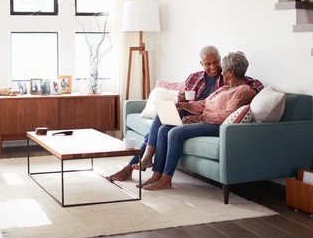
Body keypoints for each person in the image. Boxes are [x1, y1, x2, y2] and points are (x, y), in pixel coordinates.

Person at [106, 45, 263, 182]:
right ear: (202, 64)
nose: (213, 67)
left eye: (216, 62)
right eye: (208, 64)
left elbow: (250, 83)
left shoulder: (227, 77)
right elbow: (183, 96)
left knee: (163, 129)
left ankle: (140, 163)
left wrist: (253, 92)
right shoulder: (194, 77)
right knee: (164, 116)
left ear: (220, 60)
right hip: (189, 109)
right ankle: (146, 162)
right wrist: (179, 99)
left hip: (204, 115)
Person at [142, 51, 256, 190]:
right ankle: (156, 175)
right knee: (164, 129)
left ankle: (166, 179)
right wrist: (185, 105)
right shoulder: (225, 88)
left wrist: (200, 118)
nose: (221, 72)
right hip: (208, 122)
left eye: (223, 70)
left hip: (218, 126)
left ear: (230, 72)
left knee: (175, 133)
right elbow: (204, 103)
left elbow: (227, 114)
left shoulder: (242, 91)